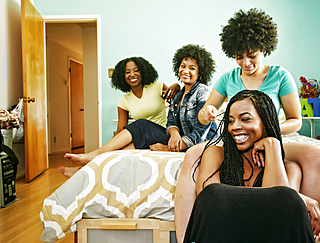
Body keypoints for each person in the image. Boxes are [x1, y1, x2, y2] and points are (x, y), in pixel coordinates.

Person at [174, 8, 320, 243]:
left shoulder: (280, 76)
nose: (245, 62)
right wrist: (206, 113)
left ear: (263, 49)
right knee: (195, 154)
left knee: (316, 156)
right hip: (239, 141)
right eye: (239, 56)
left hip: (276, 135)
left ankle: (312, 237)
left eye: (252, 55)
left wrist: (270, 134)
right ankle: (189, 239)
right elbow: (207, 114)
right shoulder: (227, 79)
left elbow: (295, 120)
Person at [60, 44, 218, 177]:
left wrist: (171, 146)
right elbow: (171, 121)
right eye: (183, 66)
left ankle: (92, 157)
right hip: (170, 138)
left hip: (183, 142)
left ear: (200, 72)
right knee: (121, 150)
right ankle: (87, 168)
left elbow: (202, 131)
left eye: (192, 68)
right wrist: (175, 133)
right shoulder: (177, 96)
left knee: (141, 125)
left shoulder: (201, 92)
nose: (185, 71)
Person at [183, 90, 316, 243]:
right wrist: (297, 197)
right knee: (212, 193)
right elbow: (210, 199)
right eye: (231, 121)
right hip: (221, 239)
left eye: (245, 119)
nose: (235, 127)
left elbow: (278, 211)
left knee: (287, 198)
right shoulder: (216, 154)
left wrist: (272, 145)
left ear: (266, 123)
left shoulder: (290, 168)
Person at [60, 56, 180, 177]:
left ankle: (93, 154)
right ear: (122, 77)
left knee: (141, 123)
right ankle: (82, 170)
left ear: (143, 71)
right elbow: (120, 130)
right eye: (127, 72)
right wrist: (115, 145)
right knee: (116, 153)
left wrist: (176, 86)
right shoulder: (124, 101)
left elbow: (177, 94)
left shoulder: (157, 86)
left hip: (162, 134)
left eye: (136, 70)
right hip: (143, 139)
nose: (132, 74)